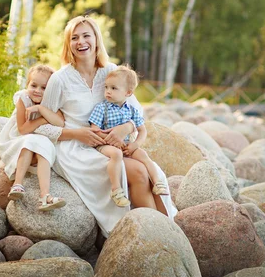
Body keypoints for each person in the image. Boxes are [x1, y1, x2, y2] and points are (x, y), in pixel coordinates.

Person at [36, 15, 177, 235]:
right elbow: (41, 126)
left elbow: (137, 111)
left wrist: (126, 128)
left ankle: (168, 232)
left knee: (150, 174)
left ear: (96, 39)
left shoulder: (110, 71)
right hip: (78, 148)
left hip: (114, 142)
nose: (81, 42)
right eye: (74, 37)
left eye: (86, 35)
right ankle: (153, 234)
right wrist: (76, 134)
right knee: (139, 173)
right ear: (68, 43)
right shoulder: (60, 79)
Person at [88, 65, 170, 208]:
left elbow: (142, 130)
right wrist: (113, 141)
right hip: (105, 145)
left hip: (126, 145)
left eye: (114, 88)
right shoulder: (102, 108)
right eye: (106, 87)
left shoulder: (131, 110)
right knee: (116, 154)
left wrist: (135, 145)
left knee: (143, 155)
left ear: (128, 92)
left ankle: (158, 182)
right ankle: (116, 190)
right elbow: (95, 130)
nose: (108, 91)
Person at [0, 64, 67, 211]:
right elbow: (23, 129)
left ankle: (45, 196)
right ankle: (18, 184)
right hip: (17, 139)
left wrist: (41, 109)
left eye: (43, 88)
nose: (37, 91)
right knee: (31, 141)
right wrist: (43, 119)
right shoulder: (23, 98)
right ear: (27, 84)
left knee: (44, 145)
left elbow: (60, 122)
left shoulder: (51, 103)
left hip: (37, 142)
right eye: (33, 85)